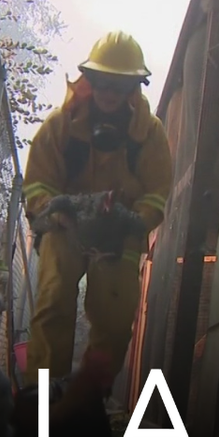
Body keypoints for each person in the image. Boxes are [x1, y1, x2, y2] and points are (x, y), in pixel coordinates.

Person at [21, 30, 173, 388]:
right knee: (53, 298)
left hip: (116, 233)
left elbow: (156, 193)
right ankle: (41, 393)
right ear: (90, 79)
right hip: (65, 227)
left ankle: (91, 394)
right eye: (101, 82)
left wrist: (132, 222)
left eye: (117, 85)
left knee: (116, 316)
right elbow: (38, 183)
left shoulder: (149, 135)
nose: (107, 93)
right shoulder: (61, 125)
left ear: (134, 87)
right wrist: (58, 212)